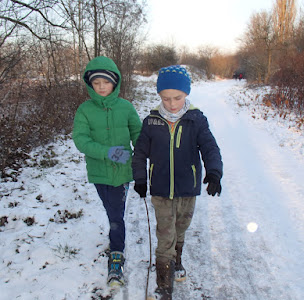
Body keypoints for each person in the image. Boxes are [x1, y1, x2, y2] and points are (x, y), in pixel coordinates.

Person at [132, 65, 223, 300]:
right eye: (166, 98)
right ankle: (164, 285)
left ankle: (176, 258)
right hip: (160, 189)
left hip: (187, 188)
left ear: (186, 95)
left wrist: (214, 172)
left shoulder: (196, 119)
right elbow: (140, 153)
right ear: (159, 96)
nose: (172, 104)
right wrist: (140, 178)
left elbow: (210, 147)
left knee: (180, 228)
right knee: (165, 233)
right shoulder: (151, 121)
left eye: (177, 98)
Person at [72, 56, 142, 287]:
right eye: (96, 82)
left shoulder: (126, 107)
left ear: (115, 82)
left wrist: (149, 152)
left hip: (123, 172)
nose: (101, 87)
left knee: (116, 214)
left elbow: (138, 135)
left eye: (106, 82)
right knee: (112, 209)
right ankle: (116, 238)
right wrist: (106, 152)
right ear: (90, 84)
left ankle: (116, 254)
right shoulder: (85, 110)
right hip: (99, 172)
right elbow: (81, 140)